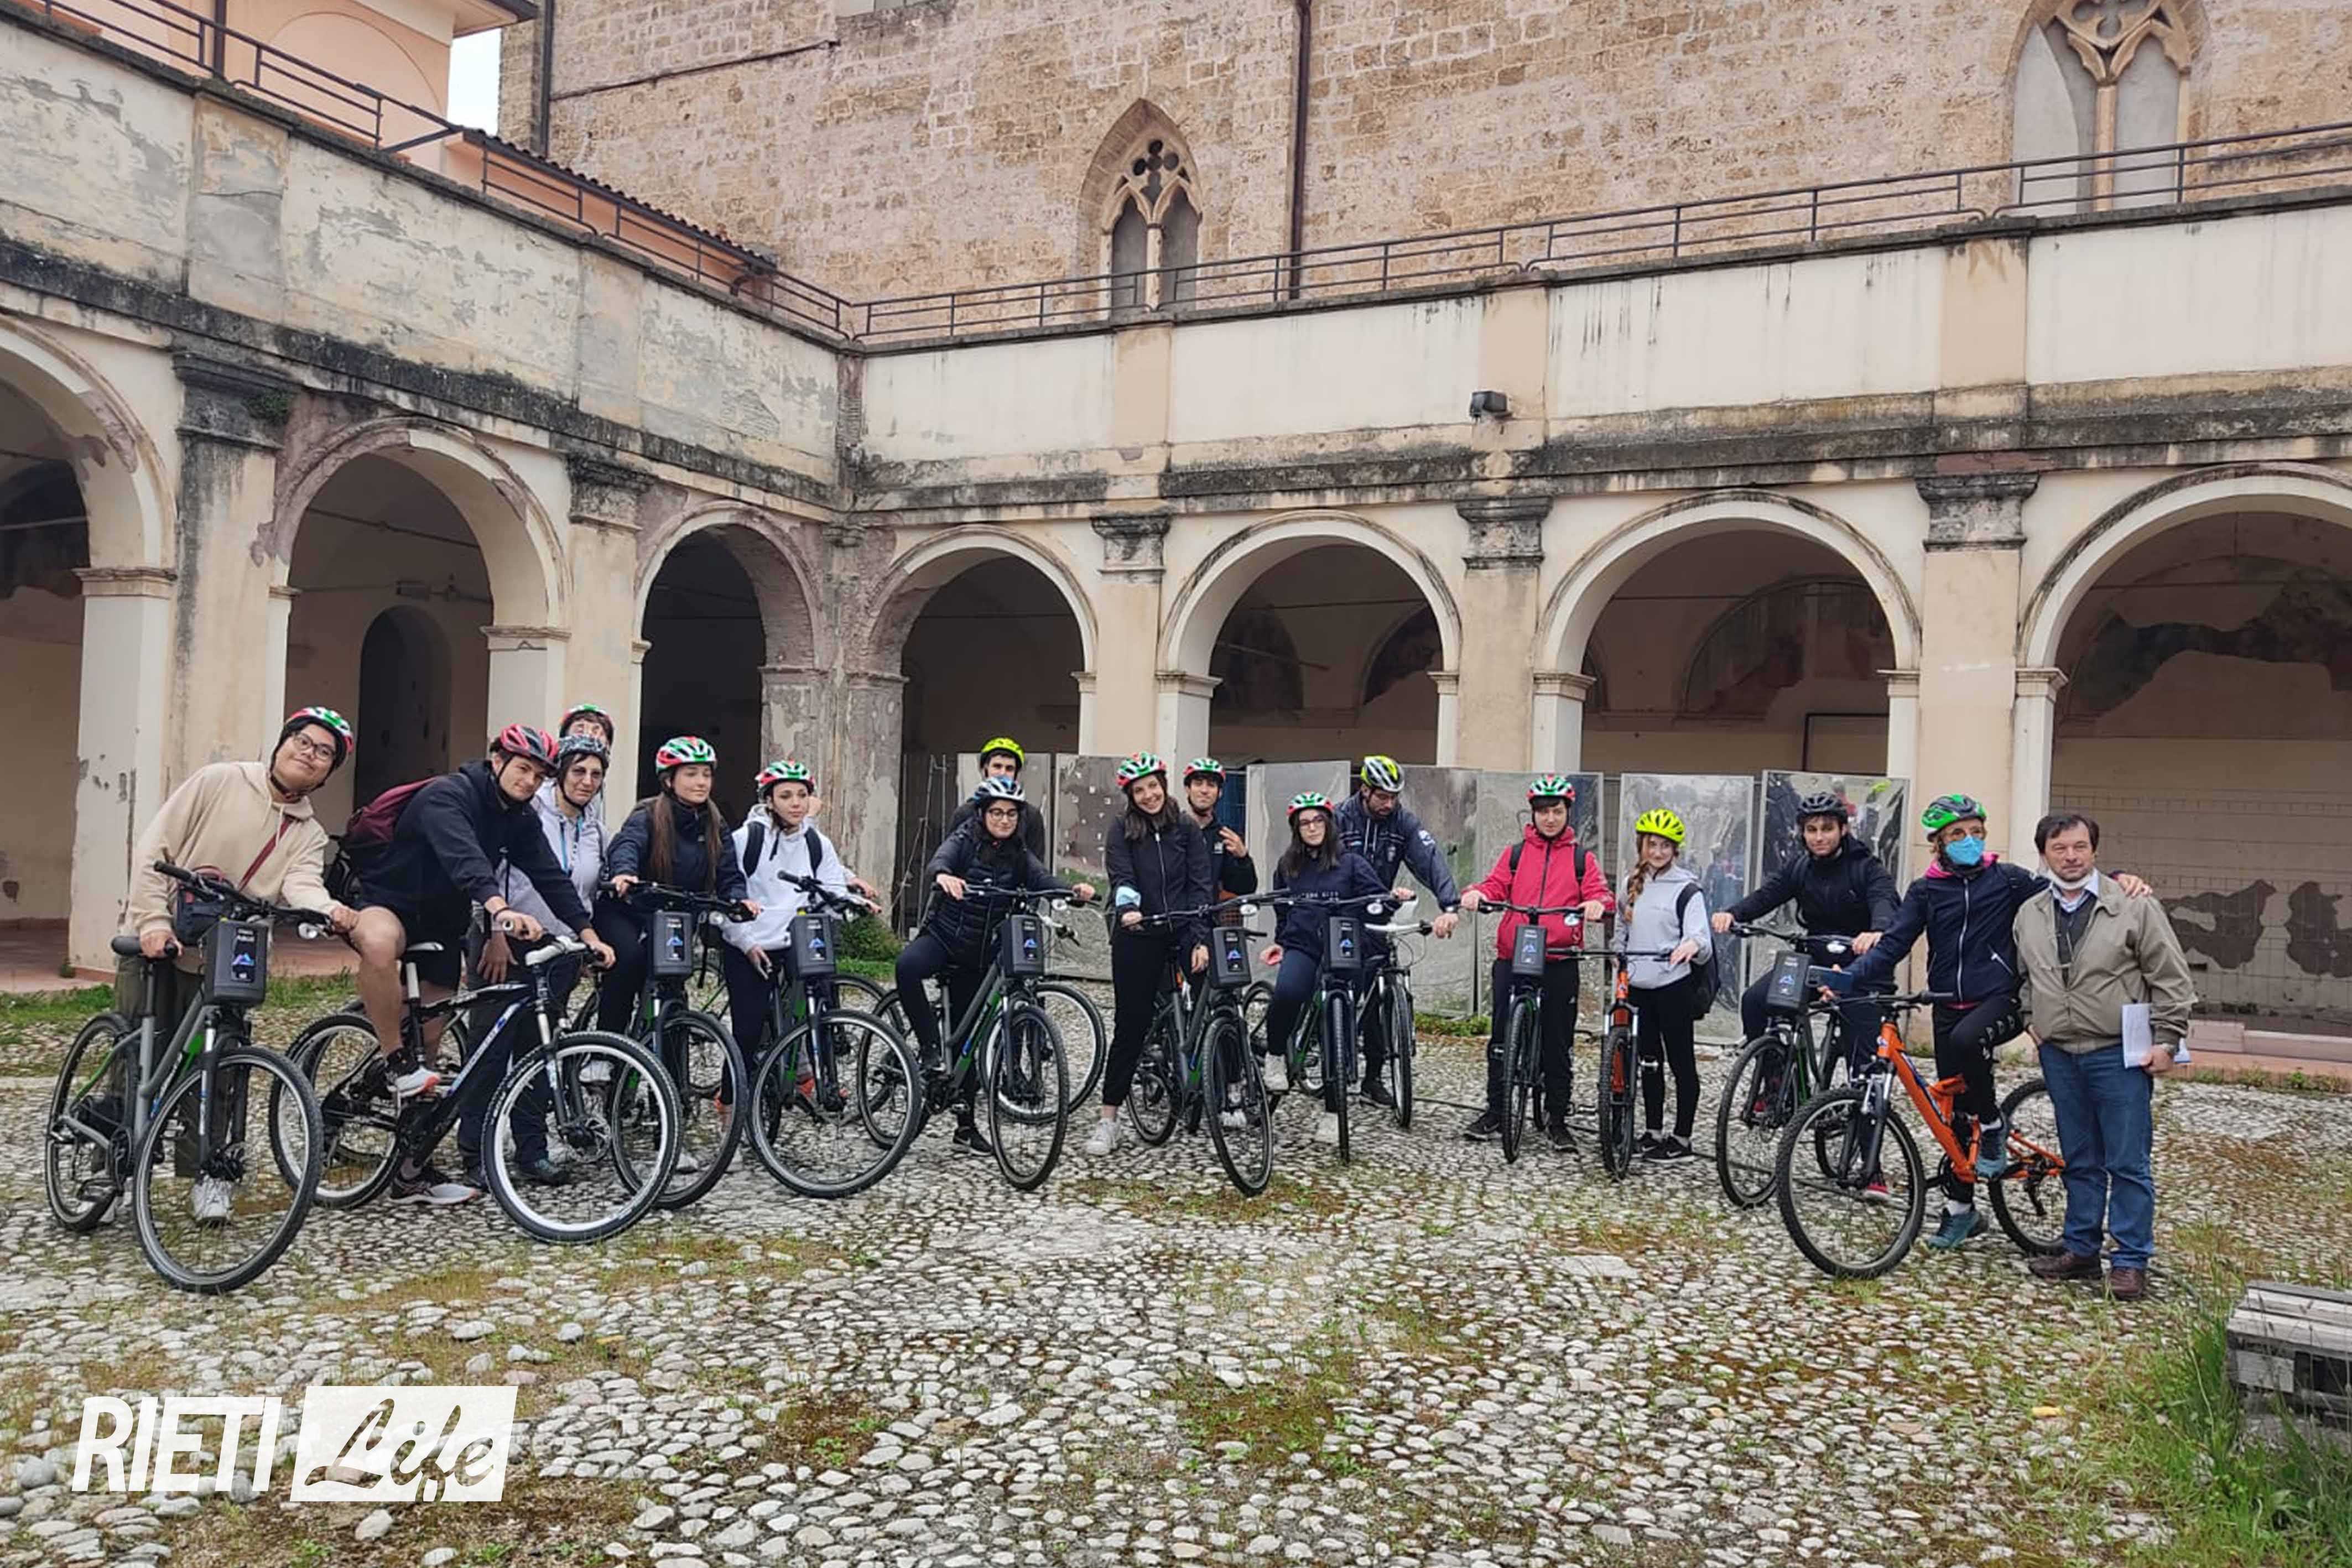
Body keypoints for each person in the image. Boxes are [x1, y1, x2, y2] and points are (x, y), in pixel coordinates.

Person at [1839, 792, 2153, 1249]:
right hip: (1947, 1005)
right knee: (1952, 1115)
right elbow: (1894, 944)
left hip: (1999, 999)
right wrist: (1847, 978)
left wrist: (2119, 878)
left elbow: (2065, 886)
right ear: (1939, 843)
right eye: (1957, 834)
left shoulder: (2007, 879)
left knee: (1970, 1047)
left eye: (1976, 832)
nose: (1969, 840)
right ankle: (1961, 1211)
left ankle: (1993, 1125)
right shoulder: (1926, 890)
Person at [345, 723, 613, 1205]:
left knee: (431, 1046)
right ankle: (392, 1061)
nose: (530, 781)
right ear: (497, 760)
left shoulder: (518, 818)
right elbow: (466, 859)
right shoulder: (449, 796)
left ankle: (410, 1173)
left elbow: (549, 875)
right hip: (394, 902)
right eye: (523, 768)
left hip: (440, 925)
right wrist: (501, 912)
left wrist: (589, 935)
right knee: (382, 950)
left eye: (539, 775)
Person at [116, 706, 360, 1223]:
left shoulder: (308, 833)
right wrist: (152, 921)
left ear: (328, 772)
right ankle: (108, 1165)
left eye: (324, 753)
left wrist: (330, 909)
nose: (309, 754)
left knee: (220, 1064)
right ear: (282, 743)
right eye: (303, 741)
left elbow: (301, 884)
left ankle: (210, 1173)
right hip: (165, 938)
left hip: (229, 954)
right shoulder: (220, 781)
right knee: (136, 1054)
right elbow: (156, 847)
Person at [2012, 812, 2195, 1303]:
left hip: (2118, 1052)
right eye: (2059, 848)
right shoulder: (2029, 913)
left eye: (2080, 847)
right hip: (2060, 1054)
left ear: (2094, 850)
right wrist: (2033, 1019)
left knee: (2128, 1160)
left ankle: (2131, 1260)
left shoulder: (2132, 905)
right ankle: (2081, 1249)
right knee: (2079, 1158)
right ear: (2044, 855)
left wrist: (2168, 1039)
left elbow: (2171, 976)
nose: (2071, 856)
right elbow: (2026, 975)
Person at [896, 777, 1094, 1153]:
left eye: (1011, 814)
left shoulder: (1019, 853)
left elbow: (1041, 879)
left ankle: (965, 1128)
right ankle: (929, 1048)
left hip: (979, 954)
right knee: (907, 967)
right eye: (997, 813)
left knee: (969, 1042)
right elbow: (940, 860)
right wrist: (944, 876)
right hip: (944, 938)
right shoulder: (964, 839)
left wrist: (1072, 891)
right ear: (983, 814)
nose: (1004, 820)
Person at [455, 732, 611, 1190]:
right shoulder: (527, 813)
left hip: (557, 949)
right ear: (559, 774)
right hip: (505, 944)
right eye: (578, 771)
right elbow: (488, 873)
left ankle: (531, 1150)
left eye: (596, 774)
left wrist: (586, 940)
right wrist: (493, 934)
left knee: (540, 1052)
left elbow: (578, 890)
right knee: (490, 1049)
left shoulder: (595, 829)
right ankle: (475, 1151)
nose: (587, 781)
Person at [1456, 776, 1613, 1150]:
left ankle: (1558, 1118)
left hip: (1559, 959)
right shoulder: (1515, 854)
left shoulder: (1581, 859)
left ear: (1567, 813)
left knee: (1558, 1043)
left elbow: (1600, 893)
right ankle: (1496, 1111)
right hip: (1515, 955)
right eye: (1543, 812)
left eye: (1557, 811)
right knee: (1500, 1038)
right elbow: (1495, 886)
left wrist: (1597, 904)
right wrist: (1476, 894)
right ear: (1533, 814)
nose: (1550, 819)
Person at [1713, 790, 1898, 1080]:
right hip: (1815, 960)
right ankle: (1774, 1079)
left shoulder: (1866, 868)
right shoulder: (1800, 867)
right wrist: (1734, 914)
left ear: (1843, 829)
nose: (1819, 837)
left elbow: (1884, 899)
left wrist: (1877, 930)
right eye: (1811, 830)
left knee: (1863, 1055)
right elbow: (1768, 895)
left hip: (1859, 964)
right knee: (1755, 1001)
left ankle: (1859, 1101)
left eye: (1827, 829)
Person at [1085, 753, 1213, 1157]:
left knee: (1214, 998)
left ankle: (1223, 1092)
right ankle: (1109, 1119)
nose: (1149, 795)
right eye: (1139, 790)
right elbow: (1122, 876)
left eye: (1153, 786)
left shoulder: (1186, 828)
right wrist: (1128, 910)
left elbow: (1200, 884)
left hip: (1183, 928)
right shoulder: (1122, 828)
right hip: (1139, 931)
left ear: (1164, 785)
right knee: (1131, 1024)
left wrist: (1200, 938)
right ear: (1131, 795)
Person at [1258, 793, 1401, 1148]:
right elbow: (1282, 909)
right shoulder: (1288, 866)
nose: (1312, 828)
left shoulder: (1351, 863)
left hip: (1343, 948)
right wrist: (1281, 940)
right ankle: (1275, 1055)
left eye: (1318, 821)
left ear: (1329, 824)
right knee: (1288, 992)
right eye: (1304, 823)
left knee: (1337, 1026)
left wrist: (1392, 899)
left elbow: (1377, 901)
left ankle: (1334, 1113)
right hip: (1303, 946)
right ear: (1296, 829)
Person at [597, 734, 759, 1036]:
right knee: (629, 963)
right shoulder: (648, 813)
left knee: (673, 985)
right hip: (629, 911)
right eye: (691, 774)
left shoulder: (715, 823)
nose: (701, 782)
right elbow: (628, 844)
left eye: (707, 774)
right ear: (669, 780)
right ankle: (606, 1050)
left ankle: (671, 1062)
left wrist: (739, 898)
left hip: (674, 917)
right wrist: (624, 873)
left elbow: (728, 872)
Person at [1334, 755, 1460, 1108]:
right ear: (1365, 790)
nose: (1389, 804)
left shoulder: (1403, 822)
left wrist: (1450, 906)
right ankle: (1325, 1046)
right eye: (1382, 796)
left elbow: (1430, 860)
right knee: (1338, 985)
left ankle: (1373, 1078)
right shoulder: (1340, 818)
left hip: (1380, 914)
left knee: (1378, 996)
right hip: (1341, 913)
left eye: (1394, 797)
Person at [720, 759, 863, 1056]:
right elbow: (728, 895)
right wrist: (745, 943)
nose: (796, 803)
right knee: (748, 1032)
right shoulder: (746, 839)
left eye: (802, 795)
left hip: (797, 941)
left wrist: (852, 905)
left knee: (817, 1012)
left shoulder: (817, 843)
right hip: (752, 943)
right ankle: (736, 1085)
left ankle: (812, 1072)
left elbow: (832, 889)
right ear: (769, 801)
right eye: (786, 796)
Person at [1622, 807, 1713, 1161]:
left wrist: (1691, 945)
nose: (1657, 852)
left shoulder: (1688, 889)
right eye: (1651, 845)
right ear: (1642, 847)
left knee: (1680, 1061)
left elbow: (1700, 936)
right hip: (1640, 985)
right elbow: (1623, 929)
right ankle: (1653, 1131)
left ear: (1675, 850)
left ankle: (1683, 1137)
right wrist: (1619, 956)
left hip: (1673, 985)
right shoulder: (1631, 885)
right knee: (1649, 1061)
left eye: (1665, 846)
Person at [943, 736, 1049, 859]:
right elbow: (949, 858)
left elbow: (1037, 862)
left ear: (1016, 774)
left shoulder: (1031, 816)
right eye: (997, 766)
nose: (1003, 773)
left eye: (1009, 769)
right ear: (985, 769)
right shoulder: (965, 813)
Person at [1181, 758, 1258, 911]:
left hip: (1206, 918)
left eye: (1211, 785)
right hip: (1174, 918)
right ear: (1188, 789)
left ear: (1220, 793)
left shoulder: (1224, 837)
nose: (1204, 790)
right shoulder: (1172, 830)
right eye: (1198, 784)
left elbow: (1244, 889)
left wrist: (1243, 859)